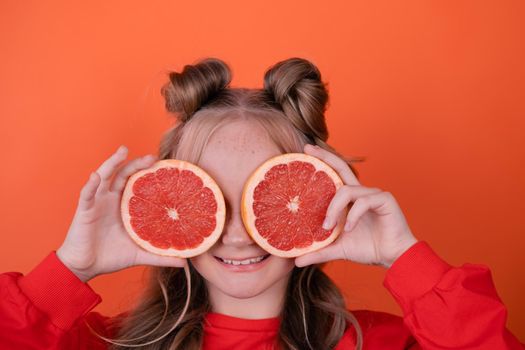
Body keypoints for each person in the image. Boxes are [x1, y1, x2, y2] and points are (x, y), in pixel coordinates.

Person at [0, 57, 523, 350]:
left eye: (263, 197)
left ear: (320, 198)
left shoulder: (381, 344)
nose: (236, 232)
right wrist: (70, 271)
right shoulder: (101, 346)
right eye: (208, 199)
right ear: (166, 205)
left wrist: (405, 259)